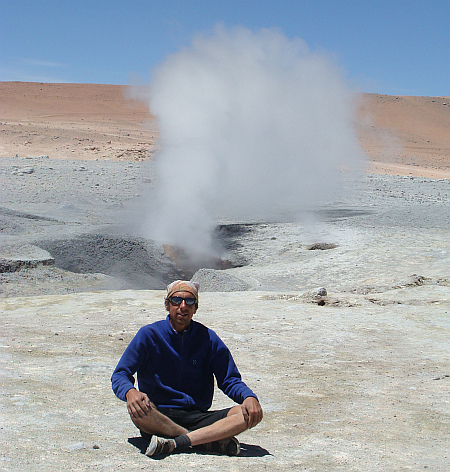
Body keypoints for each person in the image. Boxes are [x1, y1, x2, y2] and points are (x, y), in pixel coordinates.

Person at [111, 280, 263, 457]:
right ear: (167, 305)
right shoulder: (149, 335)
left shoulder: (208, 339)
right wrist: (130, 392)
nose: (183, 306)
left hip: (198, 416)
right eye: (176, 300)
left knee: (248, 415)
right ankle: (205, 440)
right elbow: (121, 374)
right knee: (139, 411)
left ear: (195, 308)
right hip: (158, 415)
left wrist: (249, 397)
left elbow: (229, 380)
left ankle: (178, 442)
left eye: (189, 301)